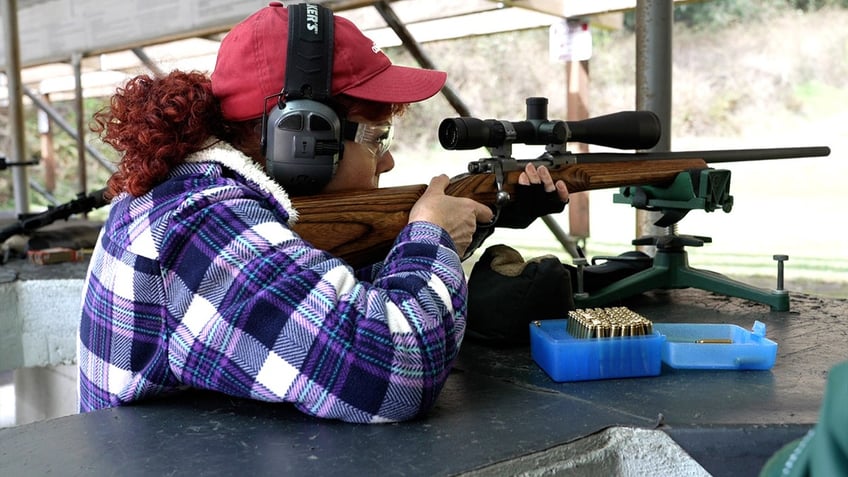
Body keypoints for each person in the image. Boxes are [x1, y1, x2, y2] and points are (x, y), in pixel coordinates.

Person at [77, 2, 569, 423]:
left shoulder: (195, 198)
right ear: (302, 136)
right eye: (376, 138)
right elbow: (398, 371)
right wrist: (431, 234)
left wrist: (485, 213)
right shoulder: (202, 226)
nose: (389, 160)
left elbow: (328, 292)